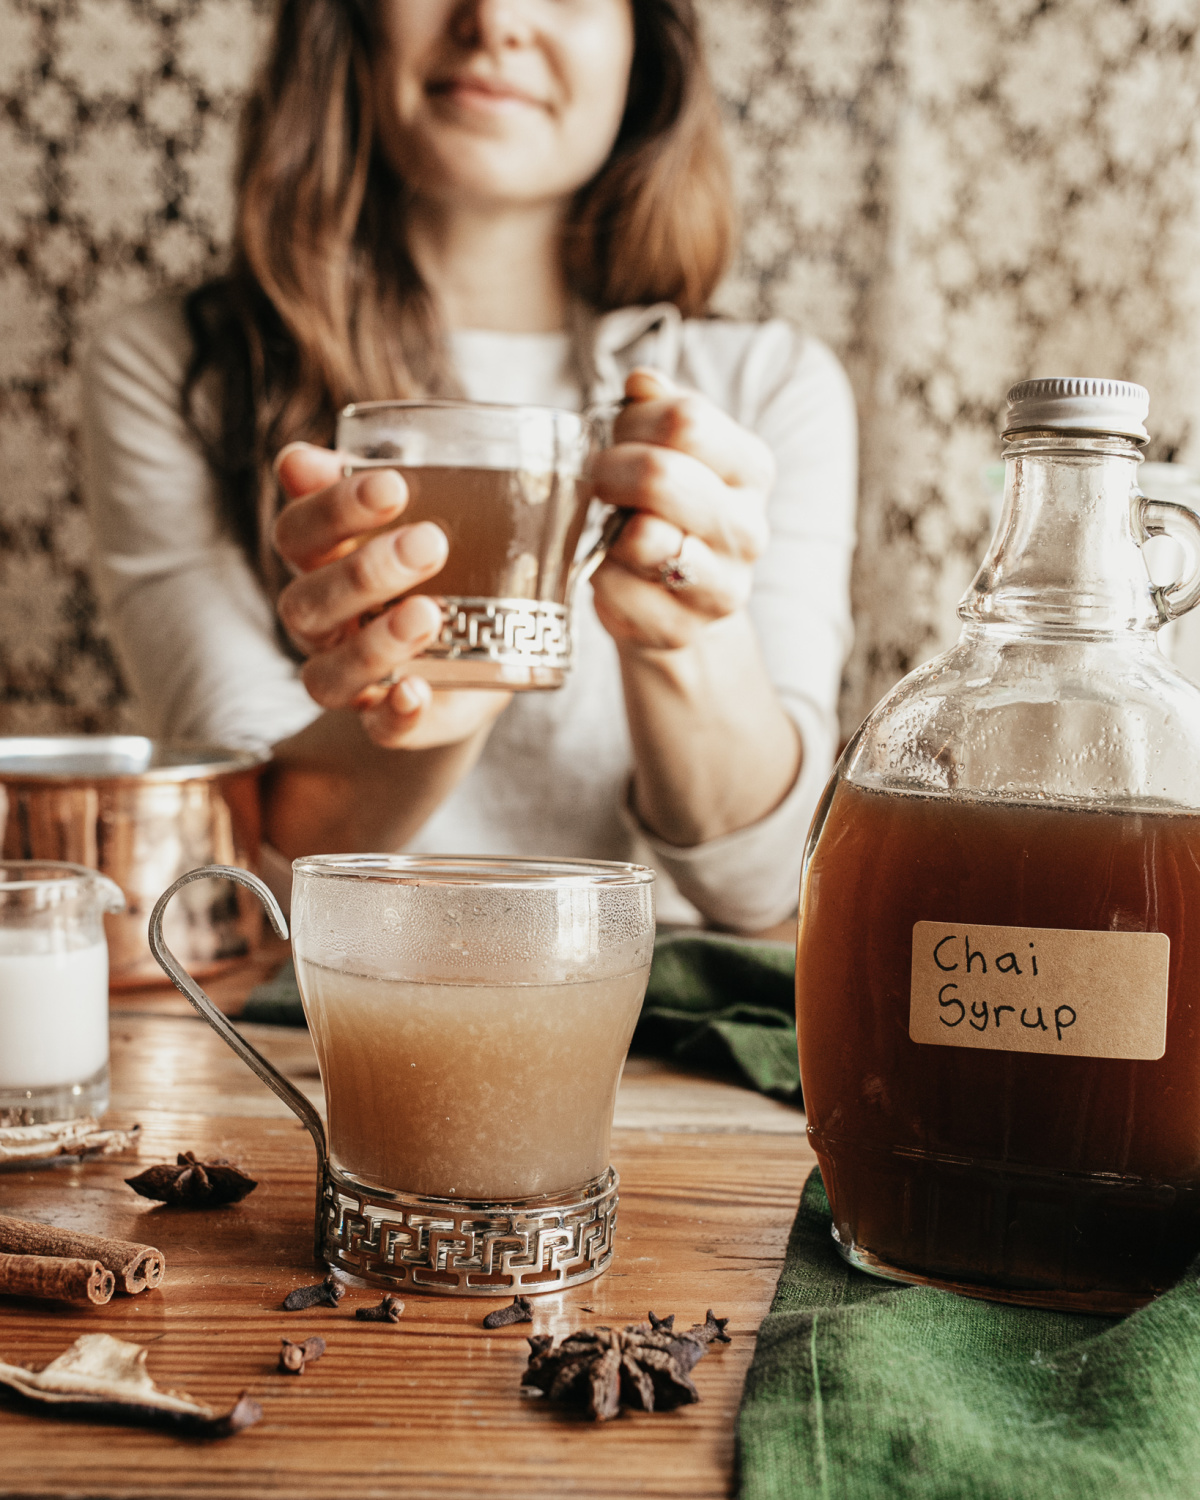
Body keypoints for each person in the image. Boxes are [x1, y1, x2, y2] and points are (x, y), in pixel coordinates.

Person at [82, 0, 857, 933]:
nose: (495, 19)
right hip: (309, 1031)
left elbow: (767, 882)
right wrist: (435, 693)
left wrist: (686, 631)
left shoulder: (769, 387)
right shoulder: (175, 367)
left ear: (643, 50)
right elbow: (244, 870)